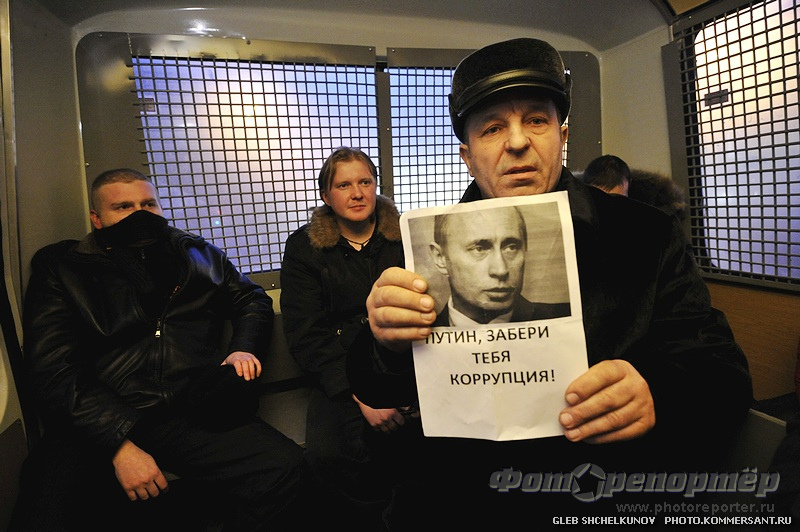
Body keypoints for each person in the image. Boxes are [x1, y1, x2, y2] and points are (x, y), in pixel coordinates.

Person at [346, 38, 753, 529]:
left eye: (536, 120)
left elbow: (723, 372)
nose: (518, 141)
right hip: (464, 496)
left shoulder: (646, 234)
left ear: (562, 136)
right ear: (467, 156)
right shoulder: (426, 248)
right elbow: (375, 387)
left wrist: (657, 393)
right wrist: (384, 343)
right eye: (493, 127)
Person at [9, 168, 309, 532]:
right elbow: (53, 368)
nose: (140, 214)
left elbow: (251, 299)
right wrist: (119, 444)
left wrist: (243, 347)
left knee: (285, 468)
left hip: (186, 408)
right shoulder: (63, 268)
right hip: (100, 414)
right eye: (123, 207)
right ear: (97, 219)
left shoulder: (197, 254)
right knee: (47, 509)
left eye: (148, 204)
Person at [280, 147, 412, 529]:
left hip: (404, 360)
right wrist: (363, 394)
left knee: (427, 445)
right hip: (339, 366)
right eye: (344, 185)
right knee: (330, 455)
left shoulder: (404, 236)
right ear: (326, 195)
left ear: (375, 186)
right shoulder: (304, 247)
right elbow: (306, 334)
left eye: (365, 182)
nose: (357, 193)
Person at [428, 206, 569, 325]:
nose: (501, 270)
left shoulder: (567, 321)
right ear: (440, 258)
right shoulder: (416, 339)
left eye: (511, 247)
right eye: (479, 249)